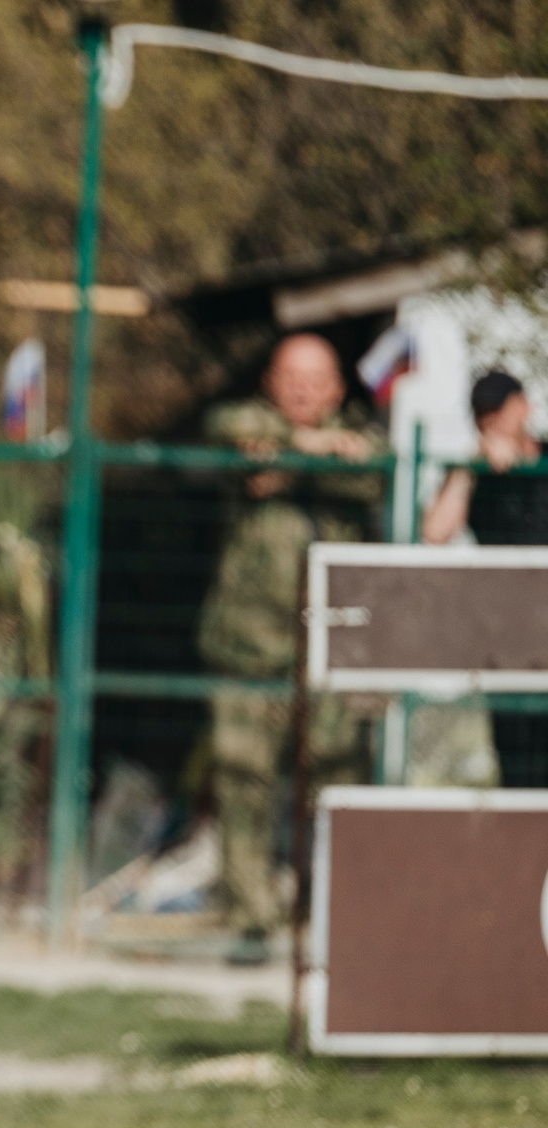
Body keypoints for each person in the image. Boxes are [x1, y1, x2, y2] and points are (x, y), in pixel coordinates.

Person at [197, 332, 385, 962]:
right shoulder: (242, 426)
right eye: (291, 377)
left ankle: (333, 921)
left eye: (317, 378)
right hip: (250, 647)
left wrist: (290, 461)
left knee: (336, 783)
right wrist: (309, 450)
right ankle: (252, 920)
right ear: (270, 383)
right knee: (244, 782)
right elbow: (229, 437)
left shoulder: (367, 437)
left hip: (336, 645)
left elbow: (369, 478)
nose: (304, 390)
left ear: (338, 387)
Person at [422, 370, 548, 786]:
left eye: (499, 410)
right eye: (481, 413)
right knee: (519, 771)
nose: (490, 420)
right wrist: (471, 468)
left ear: (524, 406)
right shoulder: (476, 476)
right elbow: (436, 533)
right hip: (510, 649)